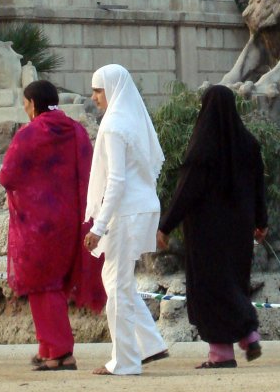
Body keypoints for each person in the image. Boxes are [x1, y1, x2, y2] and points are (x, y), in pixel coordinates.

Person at [157, 85, 268, 369]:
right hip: (239, 230)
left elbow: (186, 192)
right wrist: (261, 221)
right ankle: (247, 333)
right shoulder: (250, 144)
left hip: (206, 232)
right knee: (233, 283)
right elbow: (259, 186)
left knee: (209, 287)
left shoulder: (203, 147)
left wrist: (165, 226)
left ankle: (222, 352)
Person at [0, 80, 106, 372]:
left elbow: (7, 176)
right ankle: (47, 348)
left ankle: (60, 351)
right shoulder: (76, 130)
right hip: (70, 220)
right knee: (54, 285)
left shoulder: (29, 134)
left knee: (41, 286)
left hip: (38, 224)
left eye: (25, 104)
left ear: (33, 104)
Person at [82, 64, 169, 375]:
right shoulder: (131, 120)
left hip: (127, 211)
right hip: (142, 207)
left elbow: (116, 181)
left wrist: (98, 226)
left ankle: (125, 361)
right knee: (118, 280)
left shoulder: (114, 125)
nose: (94, 97)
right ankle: (149, 344)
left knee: (117, 284)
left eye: (98, 90)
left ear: (113, 90)